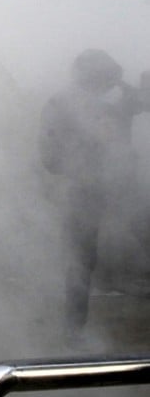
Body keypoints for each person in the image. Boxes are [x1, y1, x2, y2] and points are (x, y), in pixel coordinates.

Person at [39, 48, 149, 341]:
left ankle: (73, 331)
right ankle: (73, 332)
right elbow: (49, 158)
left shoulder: (117, 97)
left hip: (120, 183)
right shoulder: (62, 104)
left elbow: (145, 101)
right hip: (85, 189)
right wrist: (82, 163)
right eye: (101, 79)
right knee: (80, 261)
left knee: (85, 259)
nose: (106, 86)